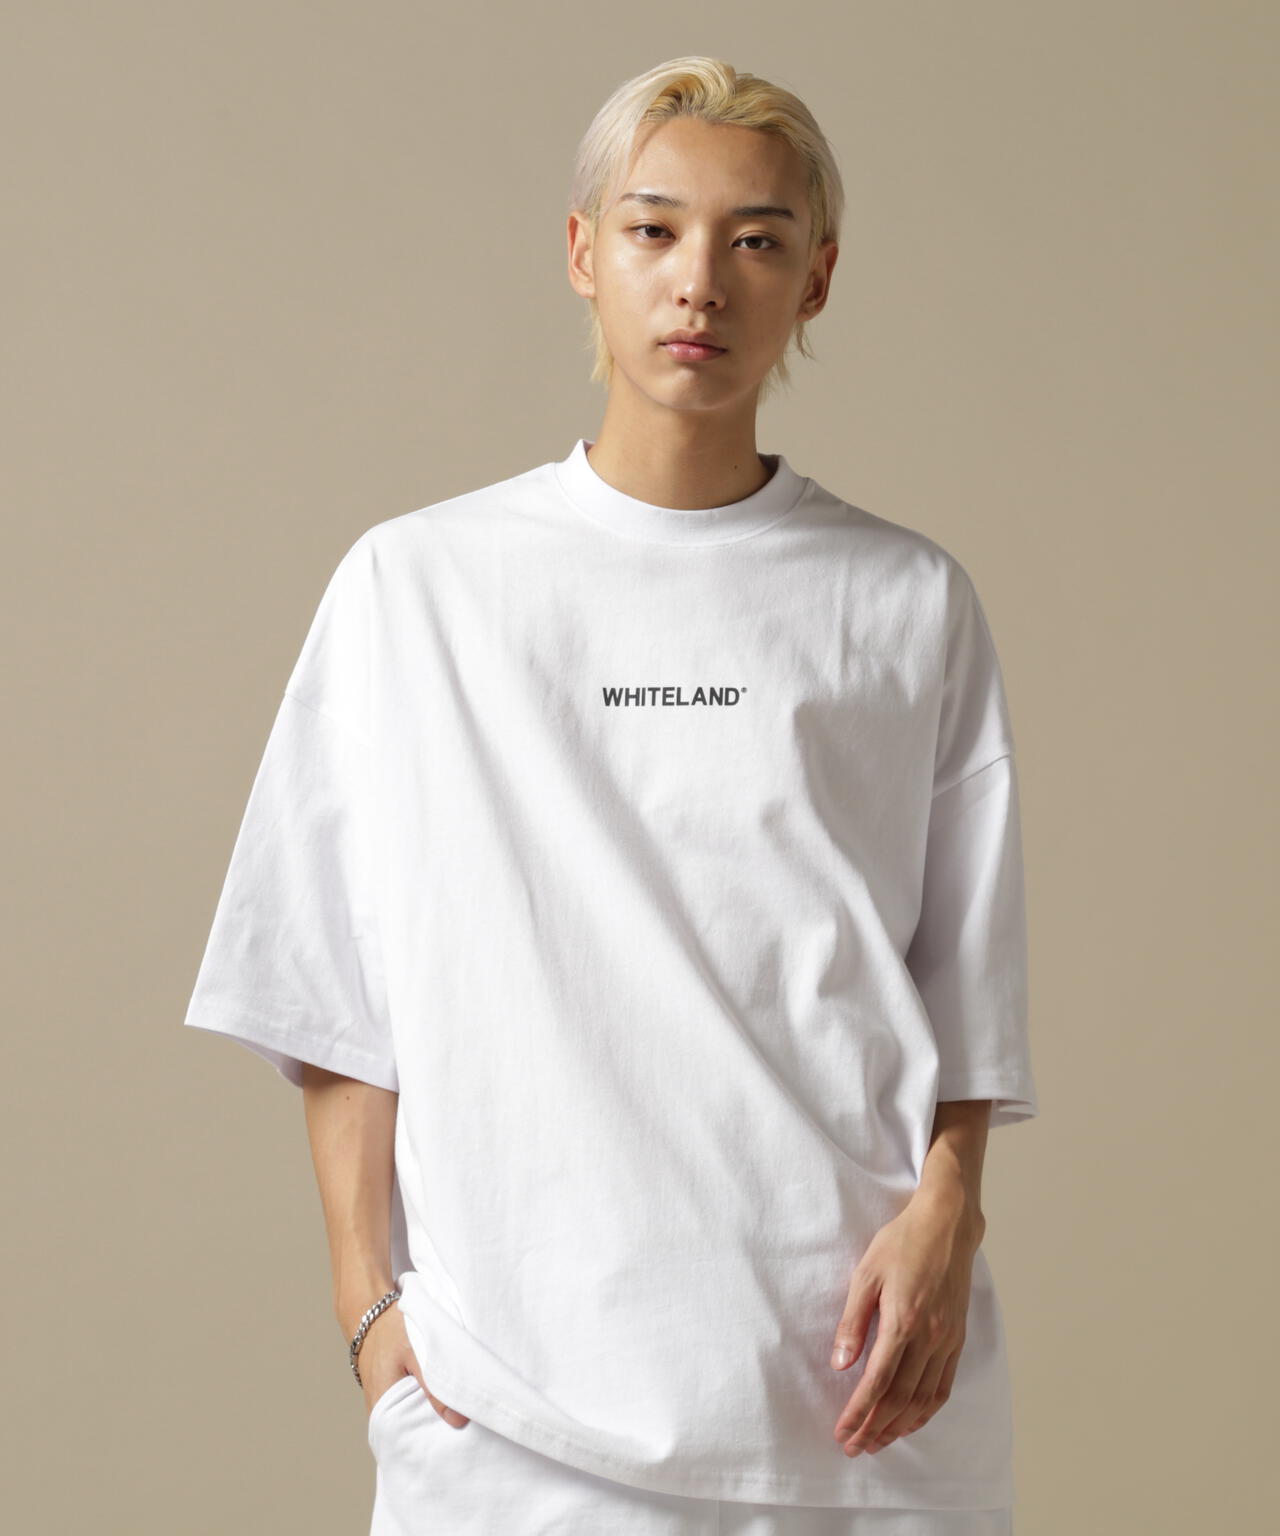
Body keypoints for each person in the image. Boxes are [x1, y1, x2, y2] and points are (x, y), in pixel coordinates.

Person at [183, 55, 1038, 1536]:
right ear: (585, 252)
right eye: (654, 230)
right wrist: (369, 1313)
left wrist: (953, 1214)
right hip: (513, 1409)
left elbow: (966, 982)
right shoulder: (420, 589)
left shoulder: (907, 601)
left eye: (756, 239)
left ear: (817, 279)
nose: (699, 280)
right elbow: (326, 985)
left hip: (861, 1396)